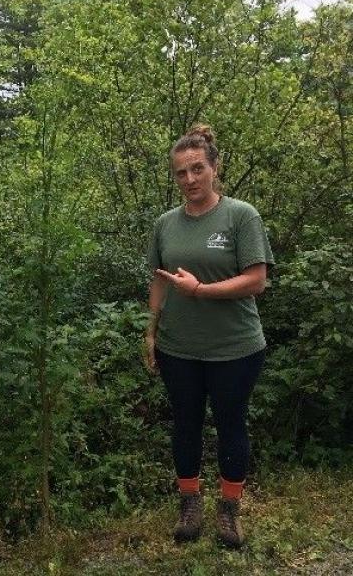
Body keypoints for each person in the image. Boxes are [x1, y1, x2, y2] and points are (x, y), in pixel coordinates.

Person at [146, 125, 274, 548]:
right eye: (181, 173)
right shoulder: (165, 224)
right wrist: (151, 330)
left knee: (230, 425)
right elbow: (160, 281)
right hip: (178, 347)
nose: (190, 180)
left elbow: (256, 280)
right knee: (185, 425)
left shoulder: (241, 216)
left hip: (235, 348)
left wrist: (201, 290)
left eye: (197, 169)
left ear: (214, 168)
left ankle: (229, 511)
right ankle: (190, 504)